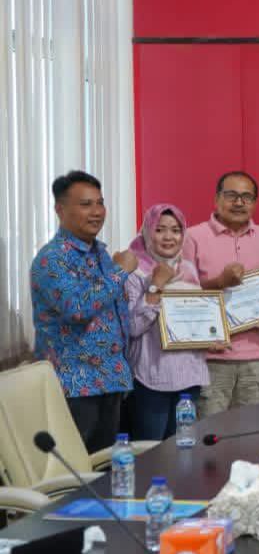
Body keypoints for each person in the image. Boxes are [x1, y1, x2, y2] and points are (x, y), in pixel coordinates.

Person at [30, 170, 137, 451]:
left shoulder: (99, 253)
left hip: (110, 379)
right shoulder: (52, 259)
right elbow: (77, 308)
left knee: (107, 466)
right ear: (60, 209)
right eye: (86, 204)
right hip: (75, 386)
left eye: (100, 203)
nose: (97, 212)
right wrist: (120, 272)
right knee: (75, 468)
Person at [184, 171, 259, 416]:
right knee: (209, 433)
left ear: (255, 203)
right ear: (216, 199)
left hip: (257, 357)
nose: (239, 202)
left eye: (247, 197)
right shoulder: (193, 236)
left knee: (255, 431)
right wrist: (219, 282)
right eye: (231, 195)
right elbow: (182, 298)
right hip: (211, 357)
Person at [124, 204, 209, 440]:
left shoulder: (188, 269)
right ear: (147, 232)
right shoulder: (134, 272)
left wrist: (212, 334)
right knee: (150, 450)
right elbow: (133, 327)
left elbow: (197, 318)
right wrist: (156, 285)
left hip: (189, 375)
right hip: (151, 377)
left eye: (176, 230)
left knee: (182, 448)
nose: (168, 237)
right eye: (160, 230)